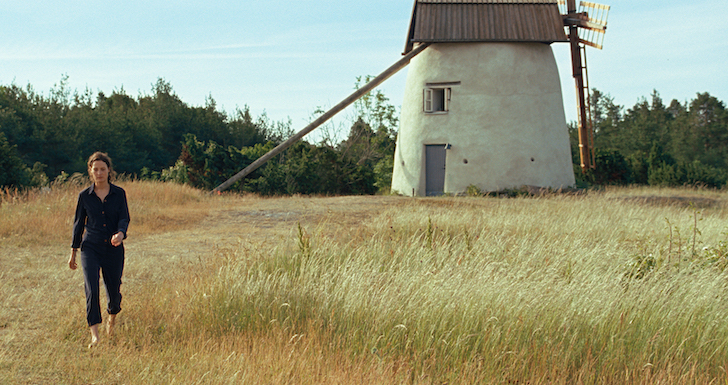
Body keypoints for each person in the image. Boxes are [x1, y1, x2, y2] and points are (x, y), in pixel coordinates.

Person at [68, 152, 130, 348]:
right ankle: (95, 335)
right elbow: (78, 225)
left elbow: (124, 217)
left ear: (108, 170)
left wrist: (120, 233)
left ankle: (112, 318)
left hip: (113, 248)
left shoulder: (118, 193)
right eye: (96, 169)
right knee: (92, 289)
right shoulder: (84, 196)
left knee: (114, 291)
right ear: (90, 171)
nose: (99, 172)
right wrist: (73, 252)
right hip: (90, 247)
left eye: (103, 169)